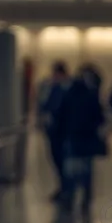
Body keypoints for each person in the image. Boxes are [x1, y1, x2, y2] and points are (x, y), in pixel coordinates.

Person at [54, 63, 106, 213]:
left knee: (70, 170)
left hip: (72, 138)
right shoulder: (92, 95)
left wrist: (59, 134)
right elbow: (99, 117)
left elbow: (60, 116)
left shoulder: (68, 94)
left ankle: (69, 198)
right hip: (88, 139)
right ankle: (86, 200)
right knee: (87, 171)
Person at [37, 61, 70, 199]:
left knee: (63, 161)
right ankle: (63, 188)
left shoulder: (66, 89)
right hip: (53, 131)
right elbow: (45, 104)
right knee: (57, 160)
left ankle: (67, 189)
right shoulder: (53, 88)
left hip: (62, 131)